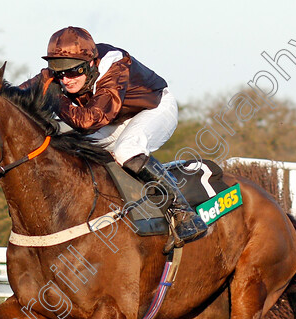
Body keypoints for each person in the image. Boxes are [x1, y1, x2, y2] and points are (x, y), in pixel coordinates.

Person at [21, 27, 207, 247]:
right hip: (114, 120)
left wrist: (55, 100)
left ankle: (182, 211)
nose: (66, 79)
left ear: (90, 64)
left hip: (153, 109)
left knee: (126, 150)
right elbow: (16, 95)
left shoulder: (115, 63)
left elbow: (91, 119)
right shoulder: (58, 73)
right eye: (60, 72)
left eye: (72, 72)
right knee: (66, 146)